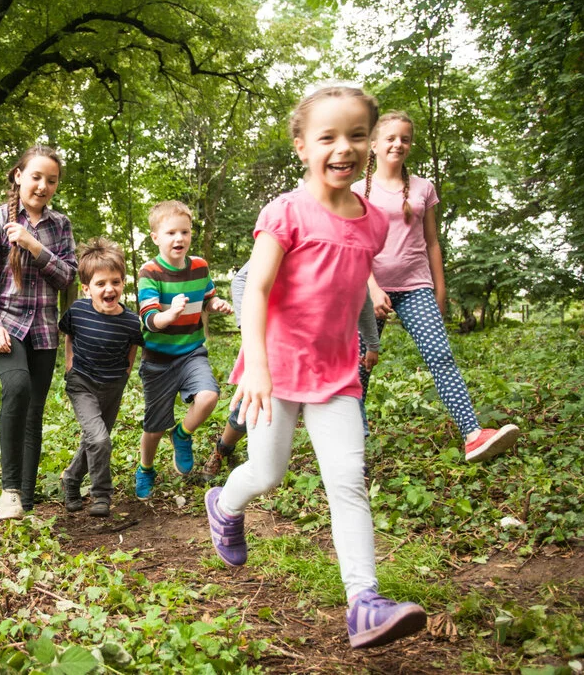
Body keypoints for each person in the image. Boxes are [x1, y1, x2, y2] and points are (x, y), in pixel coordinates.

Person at [206, 86, 427, 649]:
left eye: (356, 135)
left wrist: (373, 322)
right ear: (302, 146)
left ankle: (364, 602)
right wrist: (255, 366)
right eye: (328, 136)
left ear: (372, 145)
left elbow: (351, 287)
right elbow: (255, 287)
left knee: (348, 481)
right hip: (274, 371)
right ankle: (224, 503)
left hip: (336, 375)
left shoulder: (374, 222)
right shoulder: (285, 212)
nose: (343, 147)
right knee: (268, 472)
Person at [353, 111, 519, 463]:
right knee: (359, 367)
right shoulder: (355, 190)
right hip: (369, 290)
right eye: (391, 138)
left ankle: (473, 435)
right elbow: (354, 244)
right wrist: (371, 287)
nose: (398, 143)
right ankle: (353, 447)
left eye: (405, 138)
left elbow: (432, 242)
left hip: (416, 287)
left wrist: (438, 291)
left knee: (441, 357)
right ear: (374, 144)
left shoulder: (423, 187)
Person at [0, 145, 77, 520]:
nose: (43, 185)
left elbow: (67, 276)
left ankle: (26, 505)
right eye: (36, 177)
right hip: (7, 325)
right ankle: (9, 490)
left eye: (51, 180)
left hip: (45, 330)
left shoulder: (60, 225)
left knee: (34, 412)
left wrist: (33, 246)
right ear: (18, 176)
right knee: (17, 387)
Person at [203, 265, 381, 478]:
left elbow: (362, 295)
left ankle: (351, 466)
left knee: (344, 401)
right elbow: (242, 280)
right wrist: (248, 327)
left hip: (328, 355)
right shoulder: (290, 238)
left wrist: (372, 344)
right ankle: (222, 449)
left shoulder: (349, 248)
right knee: (250, 407)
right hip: (280, 348)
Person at [134, 201, 234, 500]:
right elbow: (150, 319)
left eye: (185, 232)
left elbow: (207, 296)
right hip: (158, 360)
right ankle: (146, 468)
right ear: (155, 237)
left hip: (191, 352)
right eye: (171, 233)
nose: (179, 239)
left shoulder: (200, 266)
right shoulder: (149, 272)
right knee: (154, 427)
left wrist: (217, 304)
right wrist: (169, 315)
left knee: (209, 396)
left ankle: (183, 434)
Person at [58, 238, 144, 517]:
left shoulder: (131, 321)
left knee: (96, 439)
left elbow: (132, 345)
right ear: (87, 288)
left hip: (113, 385)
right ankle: (102, 494)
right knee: (99, 439)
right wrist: (70, 365)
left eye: (116, 282)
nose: (110, 288)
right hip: (82, 383)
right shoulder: (78, 312)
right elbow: (69, 335)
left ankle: (71, 479)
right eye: (101, 283)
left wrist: (127, 371)